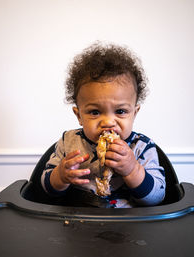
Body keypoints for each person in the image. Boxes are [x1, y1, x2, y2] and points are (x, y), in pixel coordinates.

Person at [41, 41, 165, 208]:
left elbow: (158, 197)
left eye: (120, 111)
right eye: (94, 112)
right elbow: (44, 191)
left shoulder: (142, 147)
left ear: (134, 113)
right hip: (76, 222)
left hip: (129, 225)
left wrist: (132, 169)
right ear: (79, 115)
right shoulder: (68, 142)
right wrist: (61, 176)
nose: (107, 122)